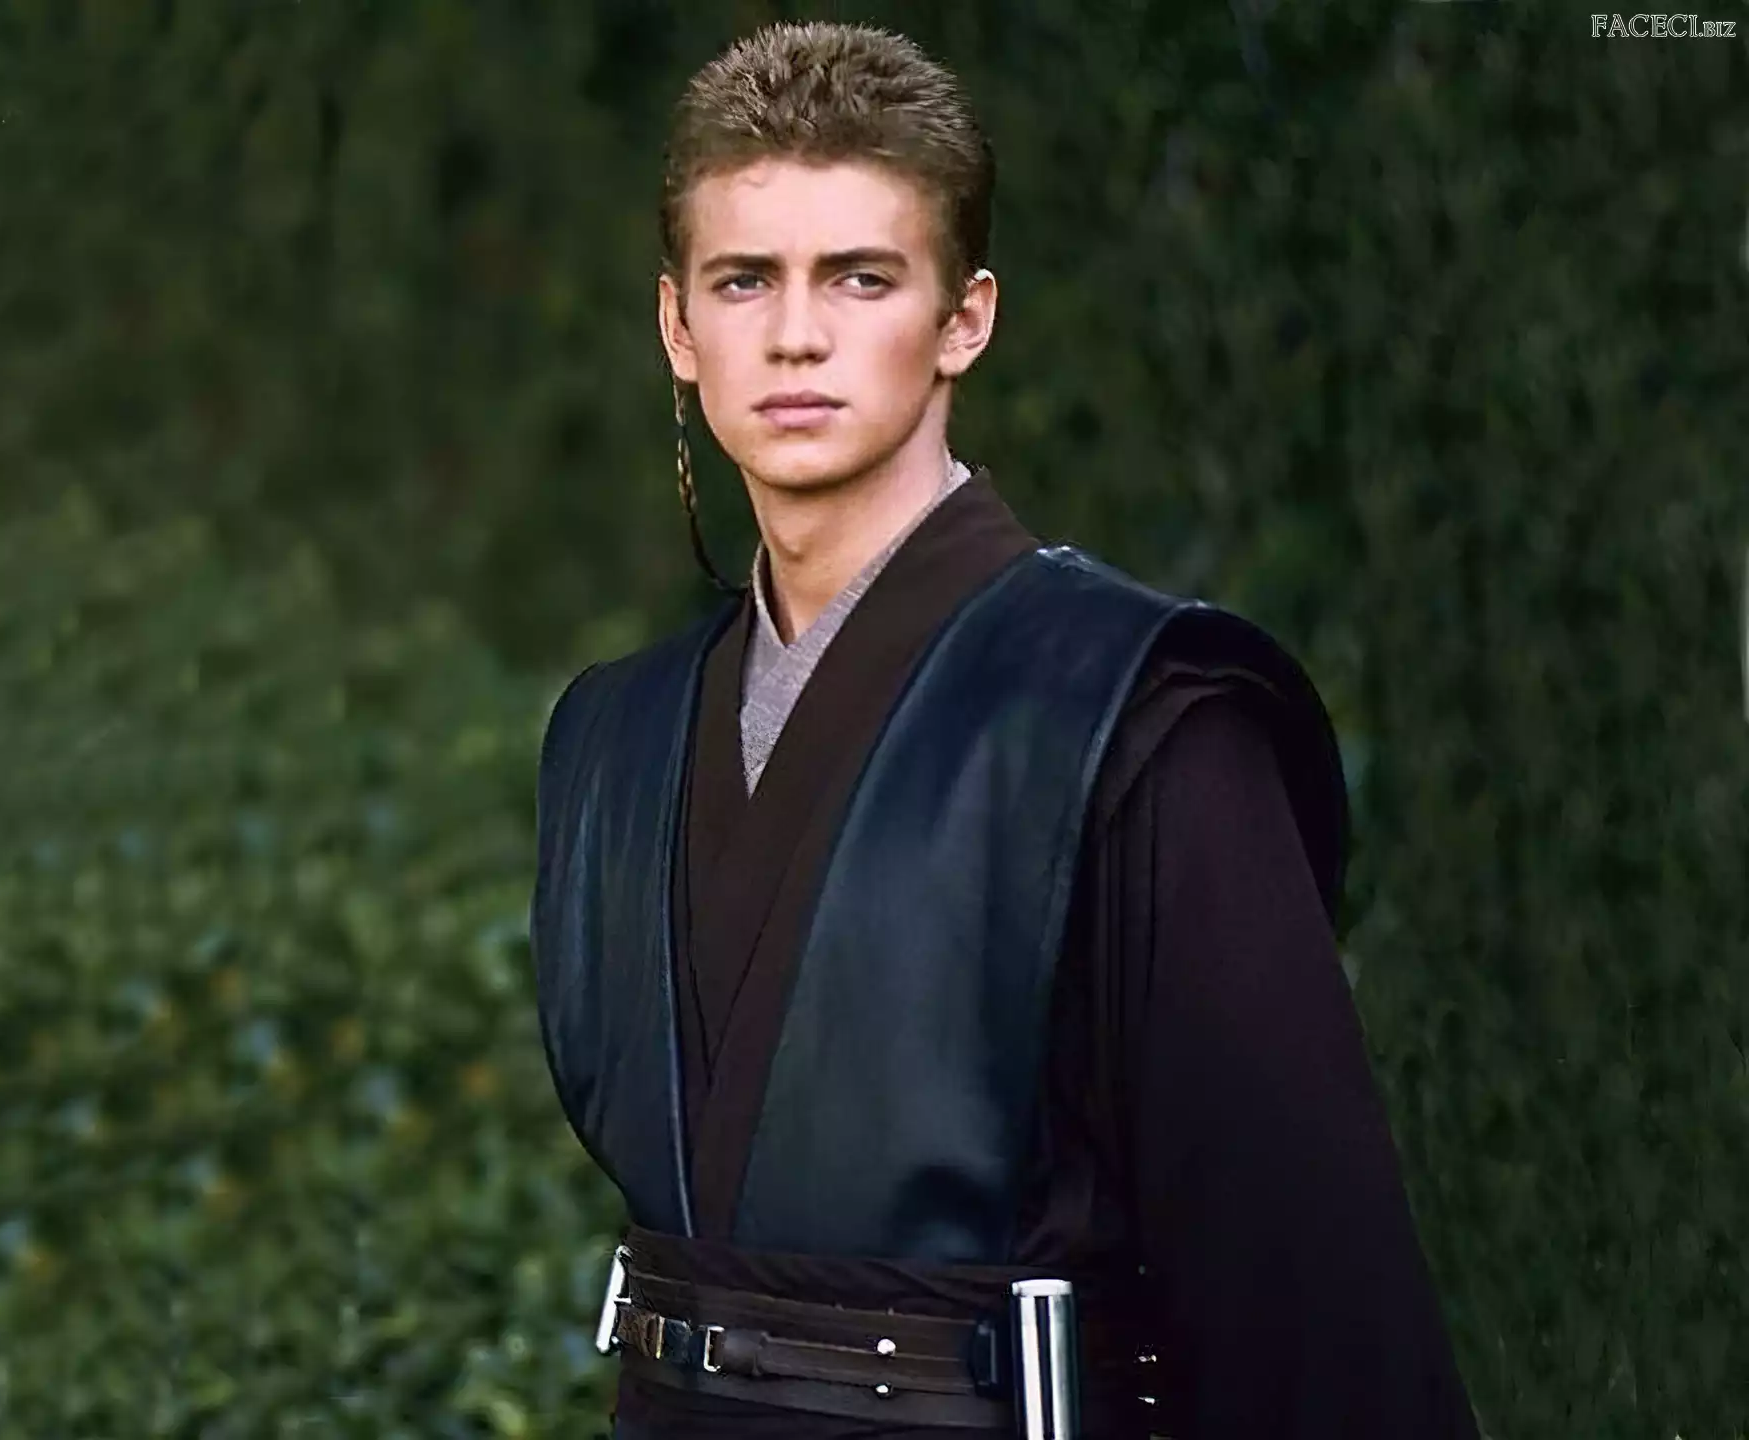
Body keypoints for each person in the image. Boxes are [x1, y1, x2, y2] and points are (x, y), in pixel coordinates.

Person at [531, 20, 1479, 1440]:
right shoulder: (612, 745)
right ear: (679, 326)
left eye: (862, 277)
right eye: (745, 279)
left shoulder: (1137, 720)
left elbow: (1317, 1318)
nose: (796, 335)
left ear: (964, 318)